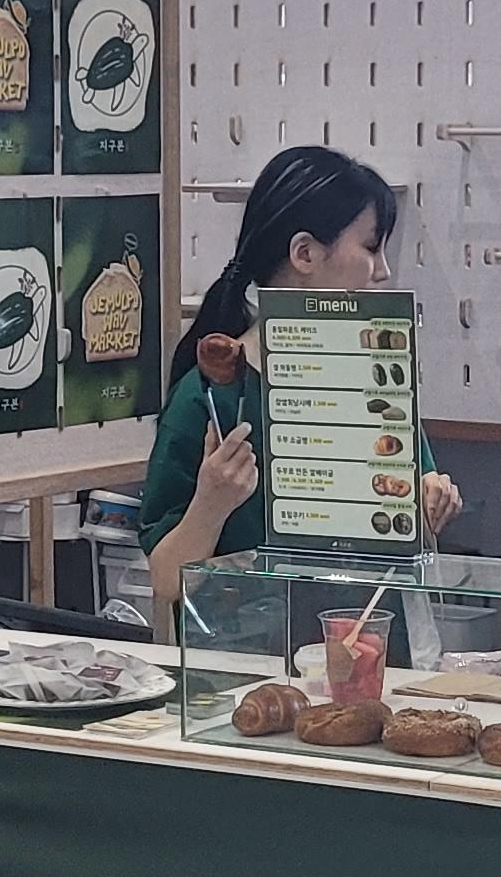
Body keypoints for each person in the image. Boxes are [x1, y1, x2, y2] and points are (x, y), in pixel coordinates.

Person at [140, 147, 460, 622]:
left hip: (370, 647)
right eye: (371, 248)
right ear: (305, 253)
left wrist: (432, 500)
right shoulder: (210, 396)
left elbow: (410, 518)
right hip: (246, 657)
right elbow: (166, 580)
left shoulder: (378, 383)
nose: (383, 271)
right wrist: (212, 503)